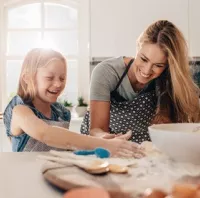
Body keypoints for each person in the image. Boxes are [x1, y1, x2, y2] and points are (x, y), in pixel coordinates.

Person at [3, 48, 143, 157]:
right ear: (27, 78)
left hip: (53, 175)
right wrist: (103, 144)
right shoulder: (19, 110)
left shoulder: (62, 113)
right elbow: (46, 134)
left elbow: (66, 144)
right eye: (49, 77)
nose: (58, 84)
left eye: (62, 78)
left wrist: (103, 140)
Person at [80, 20, 200, 143]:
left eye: (158, 65)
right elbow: (96, 130)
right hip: (103, 147)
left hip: (144, 149)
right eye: (143, 59)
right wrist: (107, 139)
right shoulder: (106, 72)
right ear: (138, 46)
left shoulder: (170, 81)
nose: (147, 71)